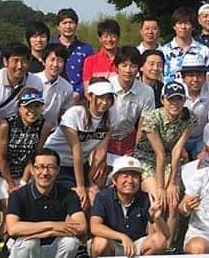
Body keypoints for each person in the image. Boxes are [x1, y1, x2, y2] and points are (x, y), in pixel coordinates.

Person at [6, 147, 86, 258]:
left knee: (71, 242)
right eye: (40, 167)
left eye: (50, 167)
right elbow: (13, 228)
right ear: (32, 169)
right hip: (23, 256)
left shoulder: (68, 194)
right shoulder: (18, 195)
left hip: (53, 254)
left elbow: (81, 226)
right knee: (29, 242)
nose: (45, 173)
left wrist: (45, 232)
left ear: (57, 170)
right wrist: (53, 226)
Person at [0, 89, 51, 242]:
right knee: (10, 205)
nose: (32, 111)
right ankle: (6, 243)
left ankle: (21, 239)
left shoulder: (45, 125)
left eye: (37, 106)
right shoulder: (6, 125)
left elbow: (34, 156)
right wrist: (11, 185)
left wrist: (23, 182)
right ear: (20, 107)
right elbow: (1, 157)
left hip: (23, 171)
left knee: (29, 204)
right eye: (28, 107)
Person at [88, 157, 169, 258]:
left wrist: (157, 218)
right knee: (99, 243)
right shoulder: (103, 197)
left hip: (136, 244)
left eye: (135, 176)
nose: (130, 181)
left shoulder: (145, 199)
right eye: (125, 176)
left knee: (159, 241)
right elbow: (95, 227)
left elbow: (166, 236)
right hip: (113, 244)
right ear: (115, 180)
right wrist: (122, 237)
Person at [43, 80, 114, 208]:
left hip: (81, 164)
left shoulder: (111, 117)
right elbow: (76, 150)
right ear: (89, 96)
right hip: (56, 162)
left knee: (93, 198)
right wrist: (81, 186)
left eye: (109, 98)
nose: (104, 102)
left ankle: (90, 228)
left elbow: (101, 152)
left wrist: (89, 181)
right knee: (79, 199)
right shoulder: (74, 114)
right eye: (100, 97)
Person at [132, 81, 193, 217]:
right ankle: (154, 237)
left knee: (173, 201)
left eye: (179, 99)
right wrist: (160, 188)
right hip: (146, 157)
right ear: (162, 100)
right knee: (157, 200)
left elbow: (177, 150)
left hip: (170, 158)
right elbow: (158, 153)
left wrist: (172, 183)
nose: (175, 103)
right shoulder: (152, 118)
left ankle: (170, 238)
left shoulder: (189, 117)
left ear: (184, 100)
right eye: (170, 99)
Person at [105, 46, 155, 163]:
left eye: (133, 66)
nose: (128, 70)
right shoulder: (106, 86)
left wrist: (136, 152)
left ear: (139, 69)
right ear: (117, 67)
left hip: (129, 140)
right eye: (124, 65)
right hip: (104, 139)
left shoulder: (146, 92)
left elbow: (143, 126)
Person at [161, 6, 209, 85]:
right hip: (171, 95)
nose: (183, 27)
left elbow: (208, 80)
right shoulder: (164, 51)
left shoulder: (204, 50)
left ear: (193, 26)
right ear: (174, 26)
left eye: (187, 23)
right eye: (180, 23)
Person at [180, 52, 209, 157]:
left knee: (204, 164)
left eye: (199, 75)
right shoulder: (176, 89)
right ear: (183, 77)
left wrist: (207, 148)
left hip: (202, 137)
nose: (195, 80)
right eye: (191, 75)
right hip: (178, 137)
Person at [55, 7, 93, 96]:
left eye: (71, 23)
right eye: (64, 23)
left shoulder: (86, 49)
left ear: (76, 25)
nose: (68, 26)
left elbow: (90, 75)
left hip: (80, 98)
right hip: (55, 96)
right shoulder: (50, 47)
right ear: (58, 26)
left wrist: (79, 92)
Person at [39, 43, 75, 126]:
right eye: (52, 60)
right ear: (44, 61)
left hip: (52, 131)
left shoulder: (67, 87)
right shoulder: (33, 80)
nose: (55, 64)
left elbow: (64, 114)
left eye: (60, 61)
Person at [81, 18, 121, 84]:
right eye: (105, 36)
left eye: (113, 36)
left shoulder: (124, 60)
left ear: (118, 37)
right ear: (100, 38)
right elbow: (87, 90)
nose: (109, 39)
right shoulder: (90, 62)